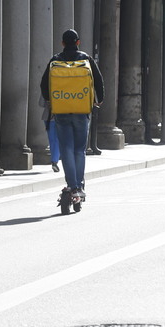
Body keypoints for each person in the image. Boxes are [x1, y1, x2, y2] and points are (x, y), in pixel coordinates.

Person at [40, 29, 104, 202]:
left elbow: (43, 84)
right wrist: (99, 99)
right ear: (78, 42)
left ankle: (71, 184)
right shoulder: (86, 59)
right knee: (79, 149)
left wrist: (50, 100)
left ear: (62, 43)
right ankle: (79, 185)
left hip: (61, 110)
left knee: (66, 148)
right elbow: (98, 80)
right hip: (82, 109)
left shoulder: (55, 60)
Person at [39, 96, 61, 173]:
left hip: (48, 116)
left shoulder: (47, 87)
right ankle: (54, 161)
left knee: (52, 139)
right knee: (57, 140)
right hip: (61, 117)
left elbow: (41, 103)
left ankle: (54, 160)